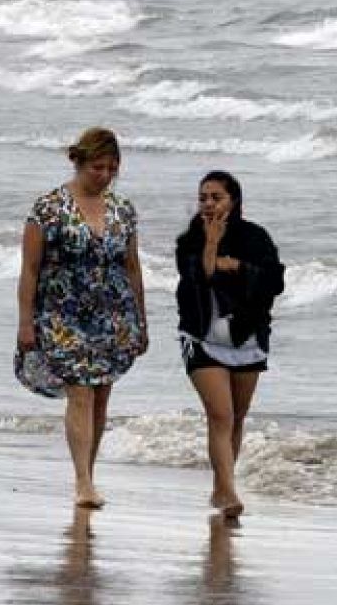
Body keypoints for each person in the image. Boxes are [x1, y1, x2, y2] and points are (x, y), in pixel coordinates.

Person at [15, 127, 148, 509]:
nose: (104, 175)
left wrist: (141, 319)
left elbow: (133, 267)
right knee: (80, 392)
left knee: (101, 394)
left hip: (114, 314)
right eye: (97, 167)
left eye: (111, 168)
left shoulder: (123, 210)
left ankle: (88, 472)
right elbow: (30, 269)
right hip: (62, 314)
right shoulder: (49, 208)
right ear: (78, 162)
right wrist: (26, 321)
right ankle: (82, 481)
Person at [175, 171, 284, 518]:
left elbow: (275, 280)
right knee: (219, 414)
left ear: (233, 201)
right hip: (201, 337)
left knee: (237, 416)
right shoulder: (189, 240)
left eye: (216, 197)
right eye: (203, 197)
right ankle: (227, 492)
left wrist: (236, 266)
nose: (208, 203)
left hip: (246, 336)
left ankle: (222, 485)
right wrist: (211, 244)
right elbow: (200, 276)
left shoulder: (256, 236)